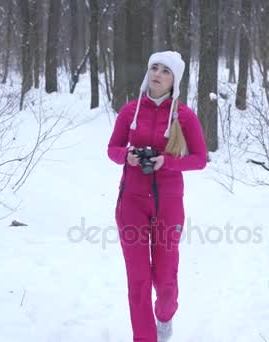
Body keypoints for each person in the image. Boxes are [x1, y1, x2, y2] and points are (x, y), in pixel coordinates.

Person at [107, 50, 208, 342]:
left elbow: (200, 159)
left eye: (165, 70)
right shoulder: (130, 111)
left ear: (174, 79)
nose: (158, 74)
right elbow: (112, 149)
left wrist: (169, 161)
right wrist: (127, 156)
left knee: (165, 281)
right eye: (154, 67)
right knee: (138, 281)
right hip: (131, 204)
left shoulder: (184, 116)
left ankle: (164, 318)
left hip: (168, 204)